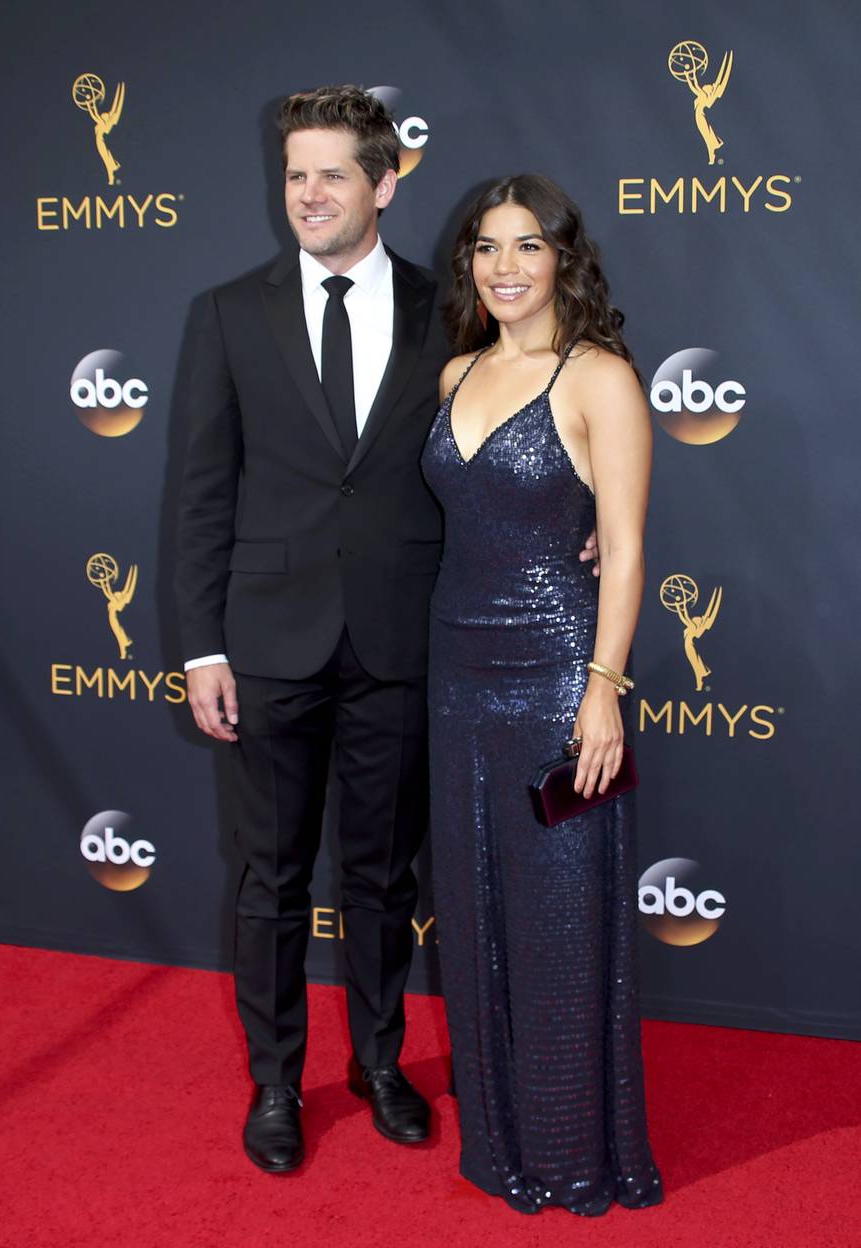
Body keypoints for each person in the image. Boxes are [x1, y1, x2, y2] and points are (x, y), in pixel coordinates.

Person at [174, 85, 452, 1173]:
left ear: (385, 183)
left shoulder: (449, 310)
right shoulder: (228, 313)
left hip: (399, 639)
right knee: (271, 880)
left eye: (332, 173)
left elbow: (498, 444)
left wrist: (569, 529)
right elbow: (203, 490)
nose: (308, 193)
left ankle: (379, 1066)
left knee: (383, 881)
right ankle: (277, 1083)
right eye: (295, 173)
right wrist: (202, 646)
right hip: (267, 645)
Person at [421, 174, 663, 1215]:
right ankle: (501, 1140)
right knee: (475, 914)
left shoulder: (598, 376)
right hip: (454, 677)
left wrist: (600, 688)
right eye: (485, 247)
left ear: (563, 256)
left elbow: (625, 547)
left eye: (526, 246)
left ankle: (574, 1150)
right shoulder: (452, 374)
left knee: (560, 919)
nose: (503, 267)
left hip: (560, 674)